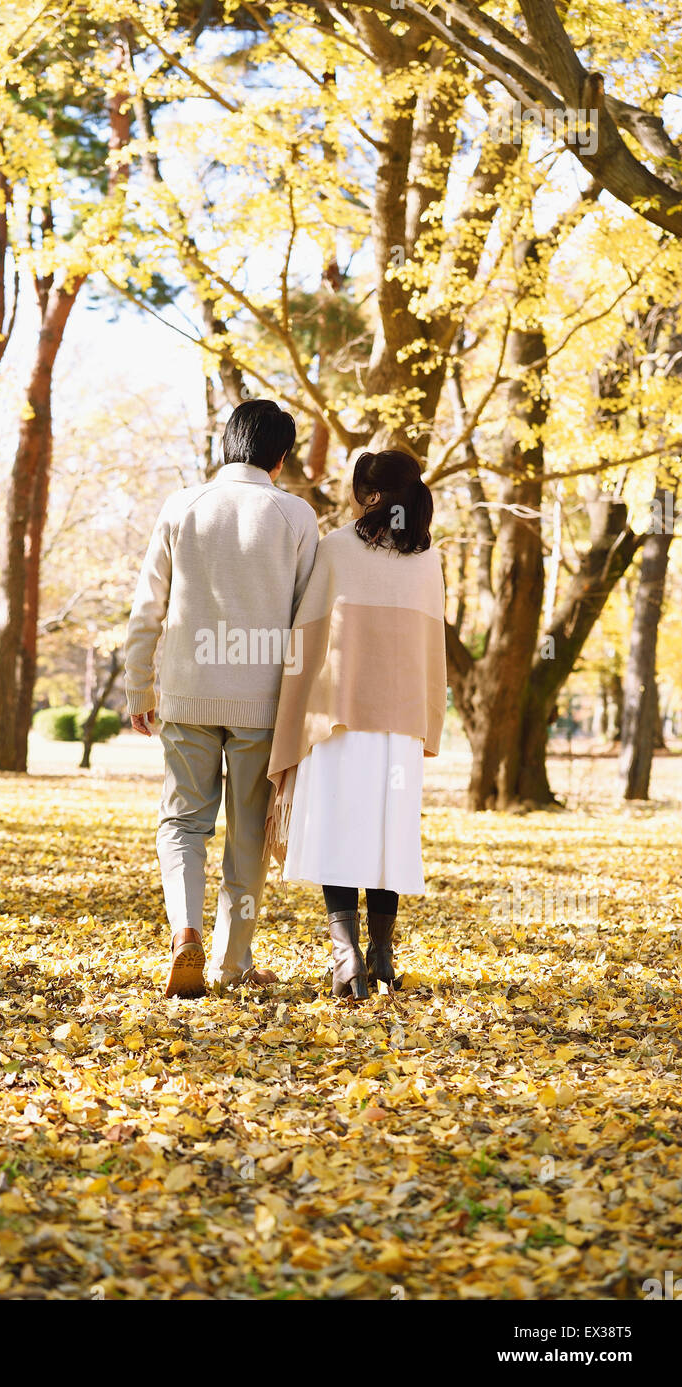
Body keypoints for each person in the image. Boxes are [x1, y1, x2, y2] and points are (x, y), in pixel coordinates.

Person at [124, 400, 319, 997]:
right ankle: (231, 962)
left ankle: (184, 933)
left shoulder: (182, 506)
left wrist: (140, 685)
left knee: (182, 822)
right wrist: (303, 708)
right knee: (248, 834)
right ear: (279, 459)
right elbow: (307, 622)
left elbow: (147, 606)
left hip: (188, 696)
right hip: (263, 705)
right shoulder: (296, 516)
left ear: (227, 444)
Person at [266, 446, 446, 999]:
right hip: (400, 726)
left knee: (341, 833)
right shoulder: (427, 559)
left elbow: (307, 634)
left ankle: (346, 961)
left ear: (368, 497)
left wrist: (290, 711)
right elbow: (432, 650)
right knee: (387, 839)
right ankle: (383, 958)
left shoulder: (337, 549)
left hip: (339, 721)